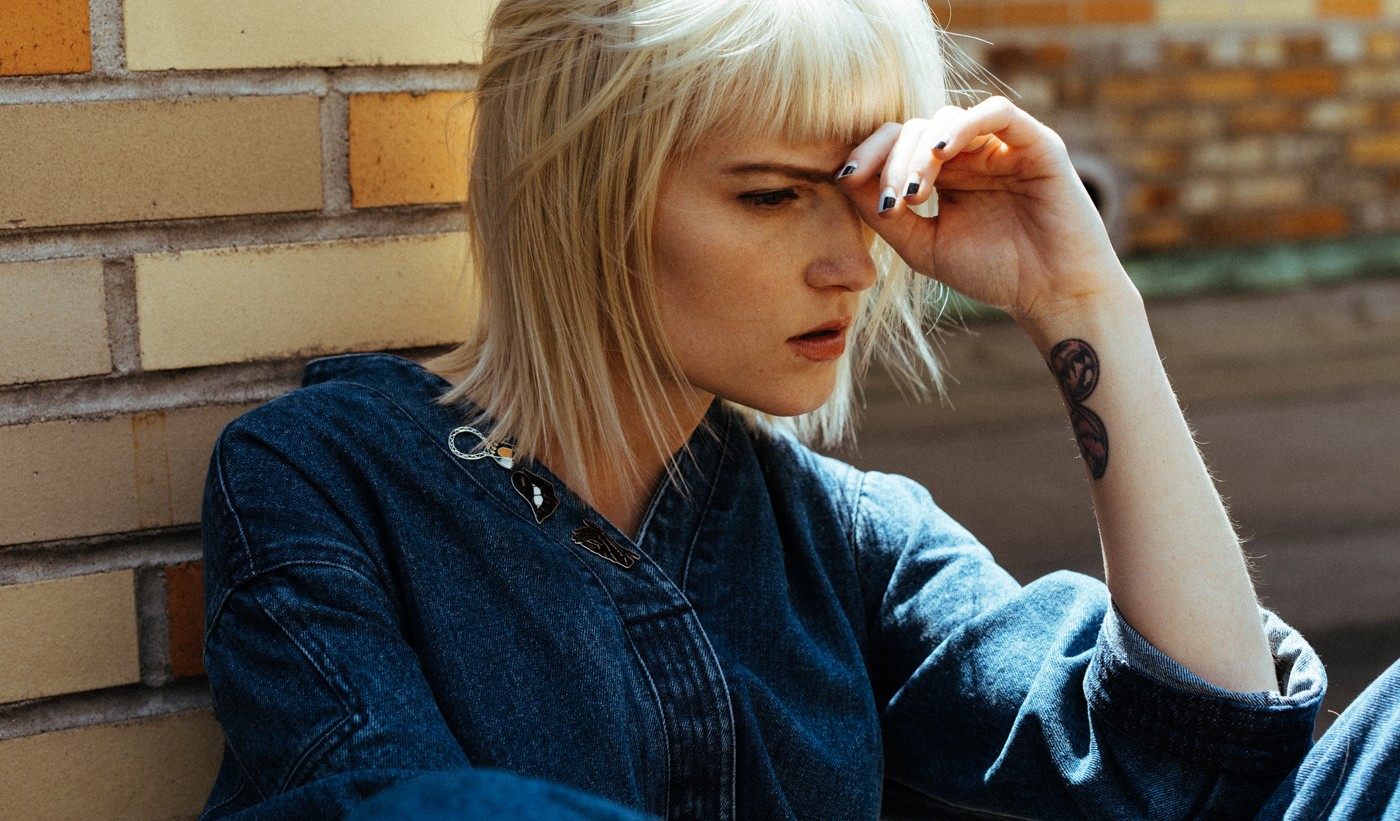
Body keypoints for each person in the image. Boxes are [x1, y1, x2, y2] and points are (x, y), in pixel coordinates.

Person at [197, 0, 1400, 818]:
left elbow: (1191, 758)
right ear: (578, 192)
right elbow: (390, 803)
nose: (854, 263)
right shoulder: (325, 479)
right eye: (772, 196)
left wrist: (1080, 297)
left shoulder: (840, 536)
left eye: (864, 192)